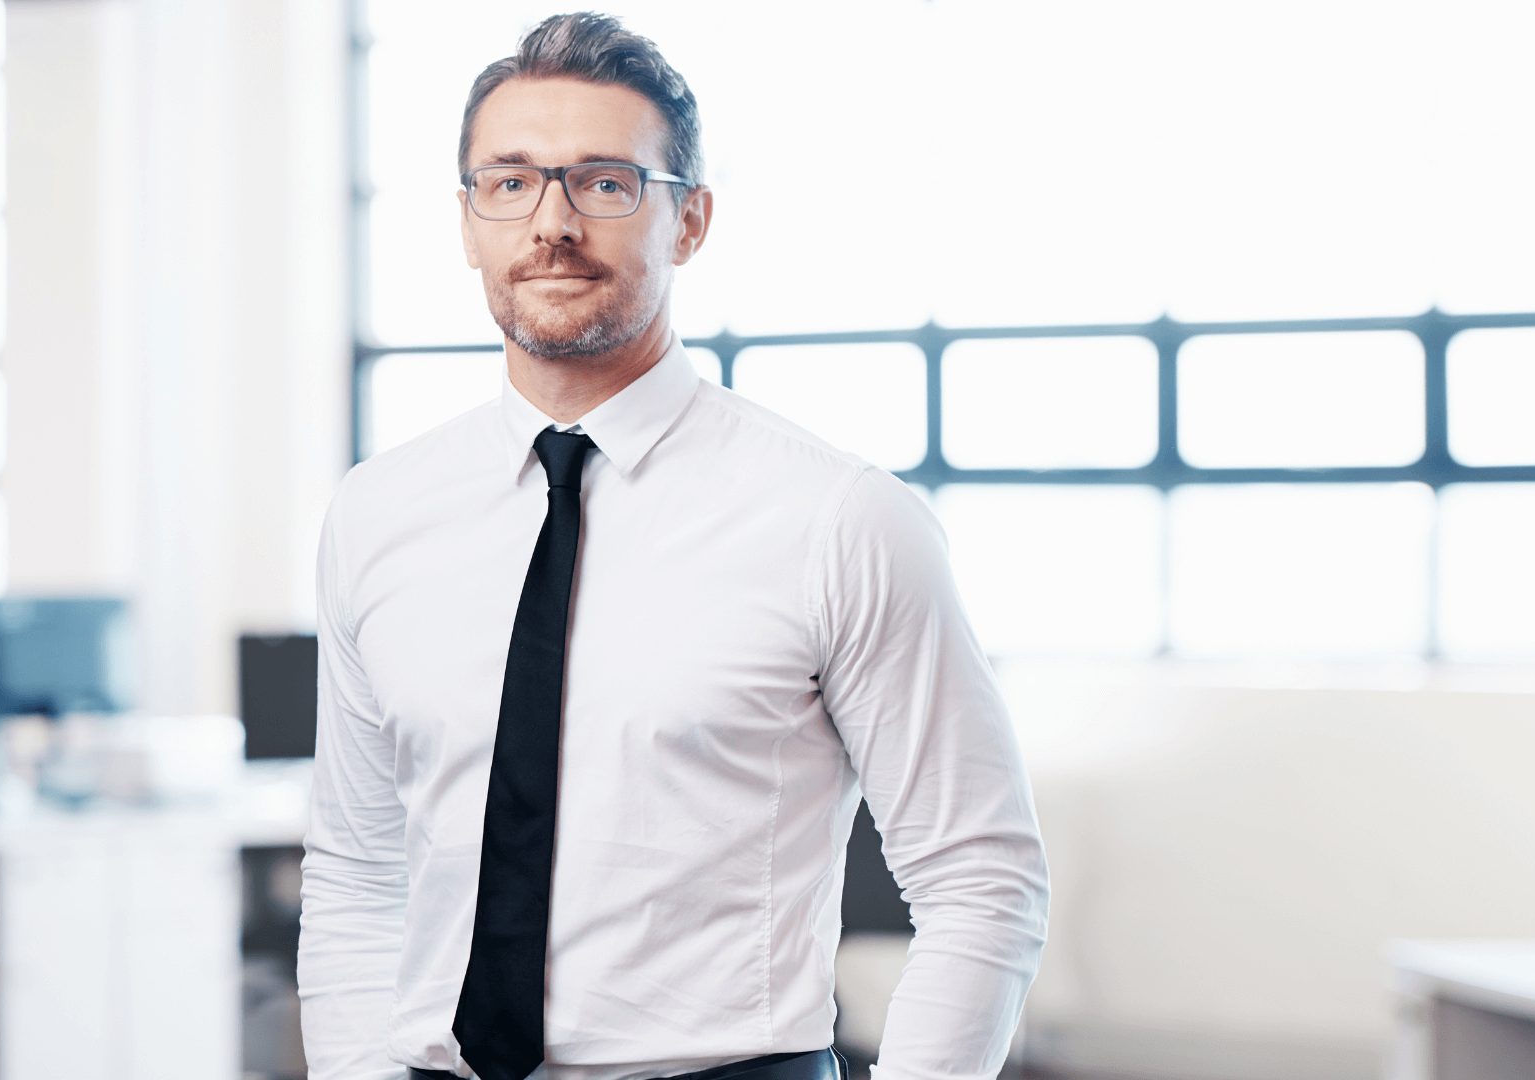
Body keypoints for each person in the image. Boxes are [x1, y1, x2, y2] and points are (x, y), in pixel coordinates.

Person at [299, 13, 1050, 1080]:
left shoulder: (837, 517)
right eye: (509, 183)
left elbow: (982, 876)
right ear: (468, 222)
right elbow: (358, 867)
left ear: (689, 220)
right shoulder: (378, 515)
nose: (551, 222)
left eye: (605, 182)